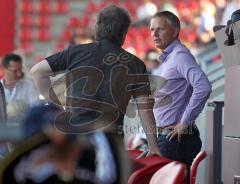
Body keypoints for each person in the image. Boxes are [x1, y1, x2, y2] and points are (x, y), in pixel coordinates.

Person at [30, 5, 160, 156]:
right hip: (111, 143)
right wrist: (153, 146)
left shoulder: (75, 52)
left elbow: (36, 72)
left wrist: (59, 106)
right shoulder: (135, 64)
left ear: (98, 27)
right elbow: (145, 109)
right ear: (124, 33)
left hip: (77, 141)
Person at [149, 11, 212, 183]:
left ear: (175, 31)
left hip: (176, 141)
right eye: (152, 29)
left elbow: (203, 86)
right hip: (169, 139)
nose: (154, 34)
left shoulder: (180, 57)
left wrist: (184, 122)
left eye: (160, 29)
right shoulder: (170, 59)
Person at [0, 53, 39, 119]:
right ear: (3, 69)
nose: (19, 74)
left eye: (20, 70)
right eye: (15, 71)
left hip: (24, 125)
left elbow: (36, 107)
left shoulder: (28, 85)